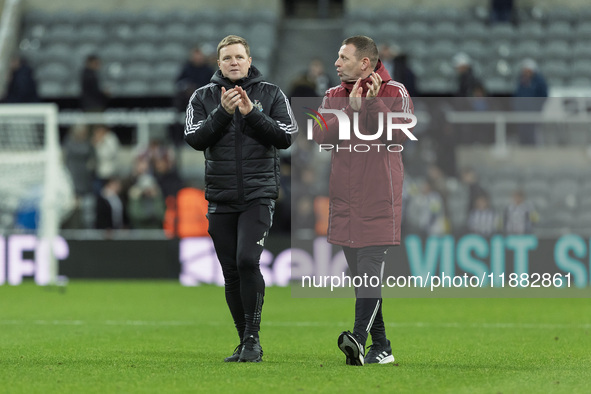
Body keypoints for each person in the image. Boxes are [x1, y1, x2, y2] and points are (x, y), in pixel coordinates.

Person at [184, 35, 297, 363]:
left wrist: (250, 114)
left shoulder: (271, 93)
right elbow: (194, 138)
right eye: (227, 58)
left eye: (239, 57)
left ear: (249, 61)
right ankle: (243, 340)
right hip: (220, 195)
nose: (233, 62)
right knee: (231, 271)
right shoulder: (202, 97)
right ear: (218, 64)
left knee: (248, 260)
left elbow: (285, 137)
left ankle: (252, 338)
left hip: (259, 193)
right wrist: (222, 112)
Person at [312, 35, 414, 366]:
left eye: (343, 58)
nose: (337, 63)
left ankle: (357, 337)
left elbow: (400, 135)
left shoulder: (394, 91)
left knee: (369, 271)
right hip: (344, 199)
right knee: (361, 277)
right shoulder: (332, 95)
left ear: (364, 63)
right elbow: (318, 136)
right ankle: (381, 346)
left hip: (378, 198)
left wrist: (370, 106)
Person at [513, 59, 548, 145]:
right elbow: (517, 95)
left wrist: (536, 107)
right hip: (522, 112)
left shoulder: (539, 81)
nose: (526, 73)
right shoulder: (521, 81)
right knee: (523, 132)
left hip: (533, 112)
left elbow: (543, 95)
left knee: (533, 133)